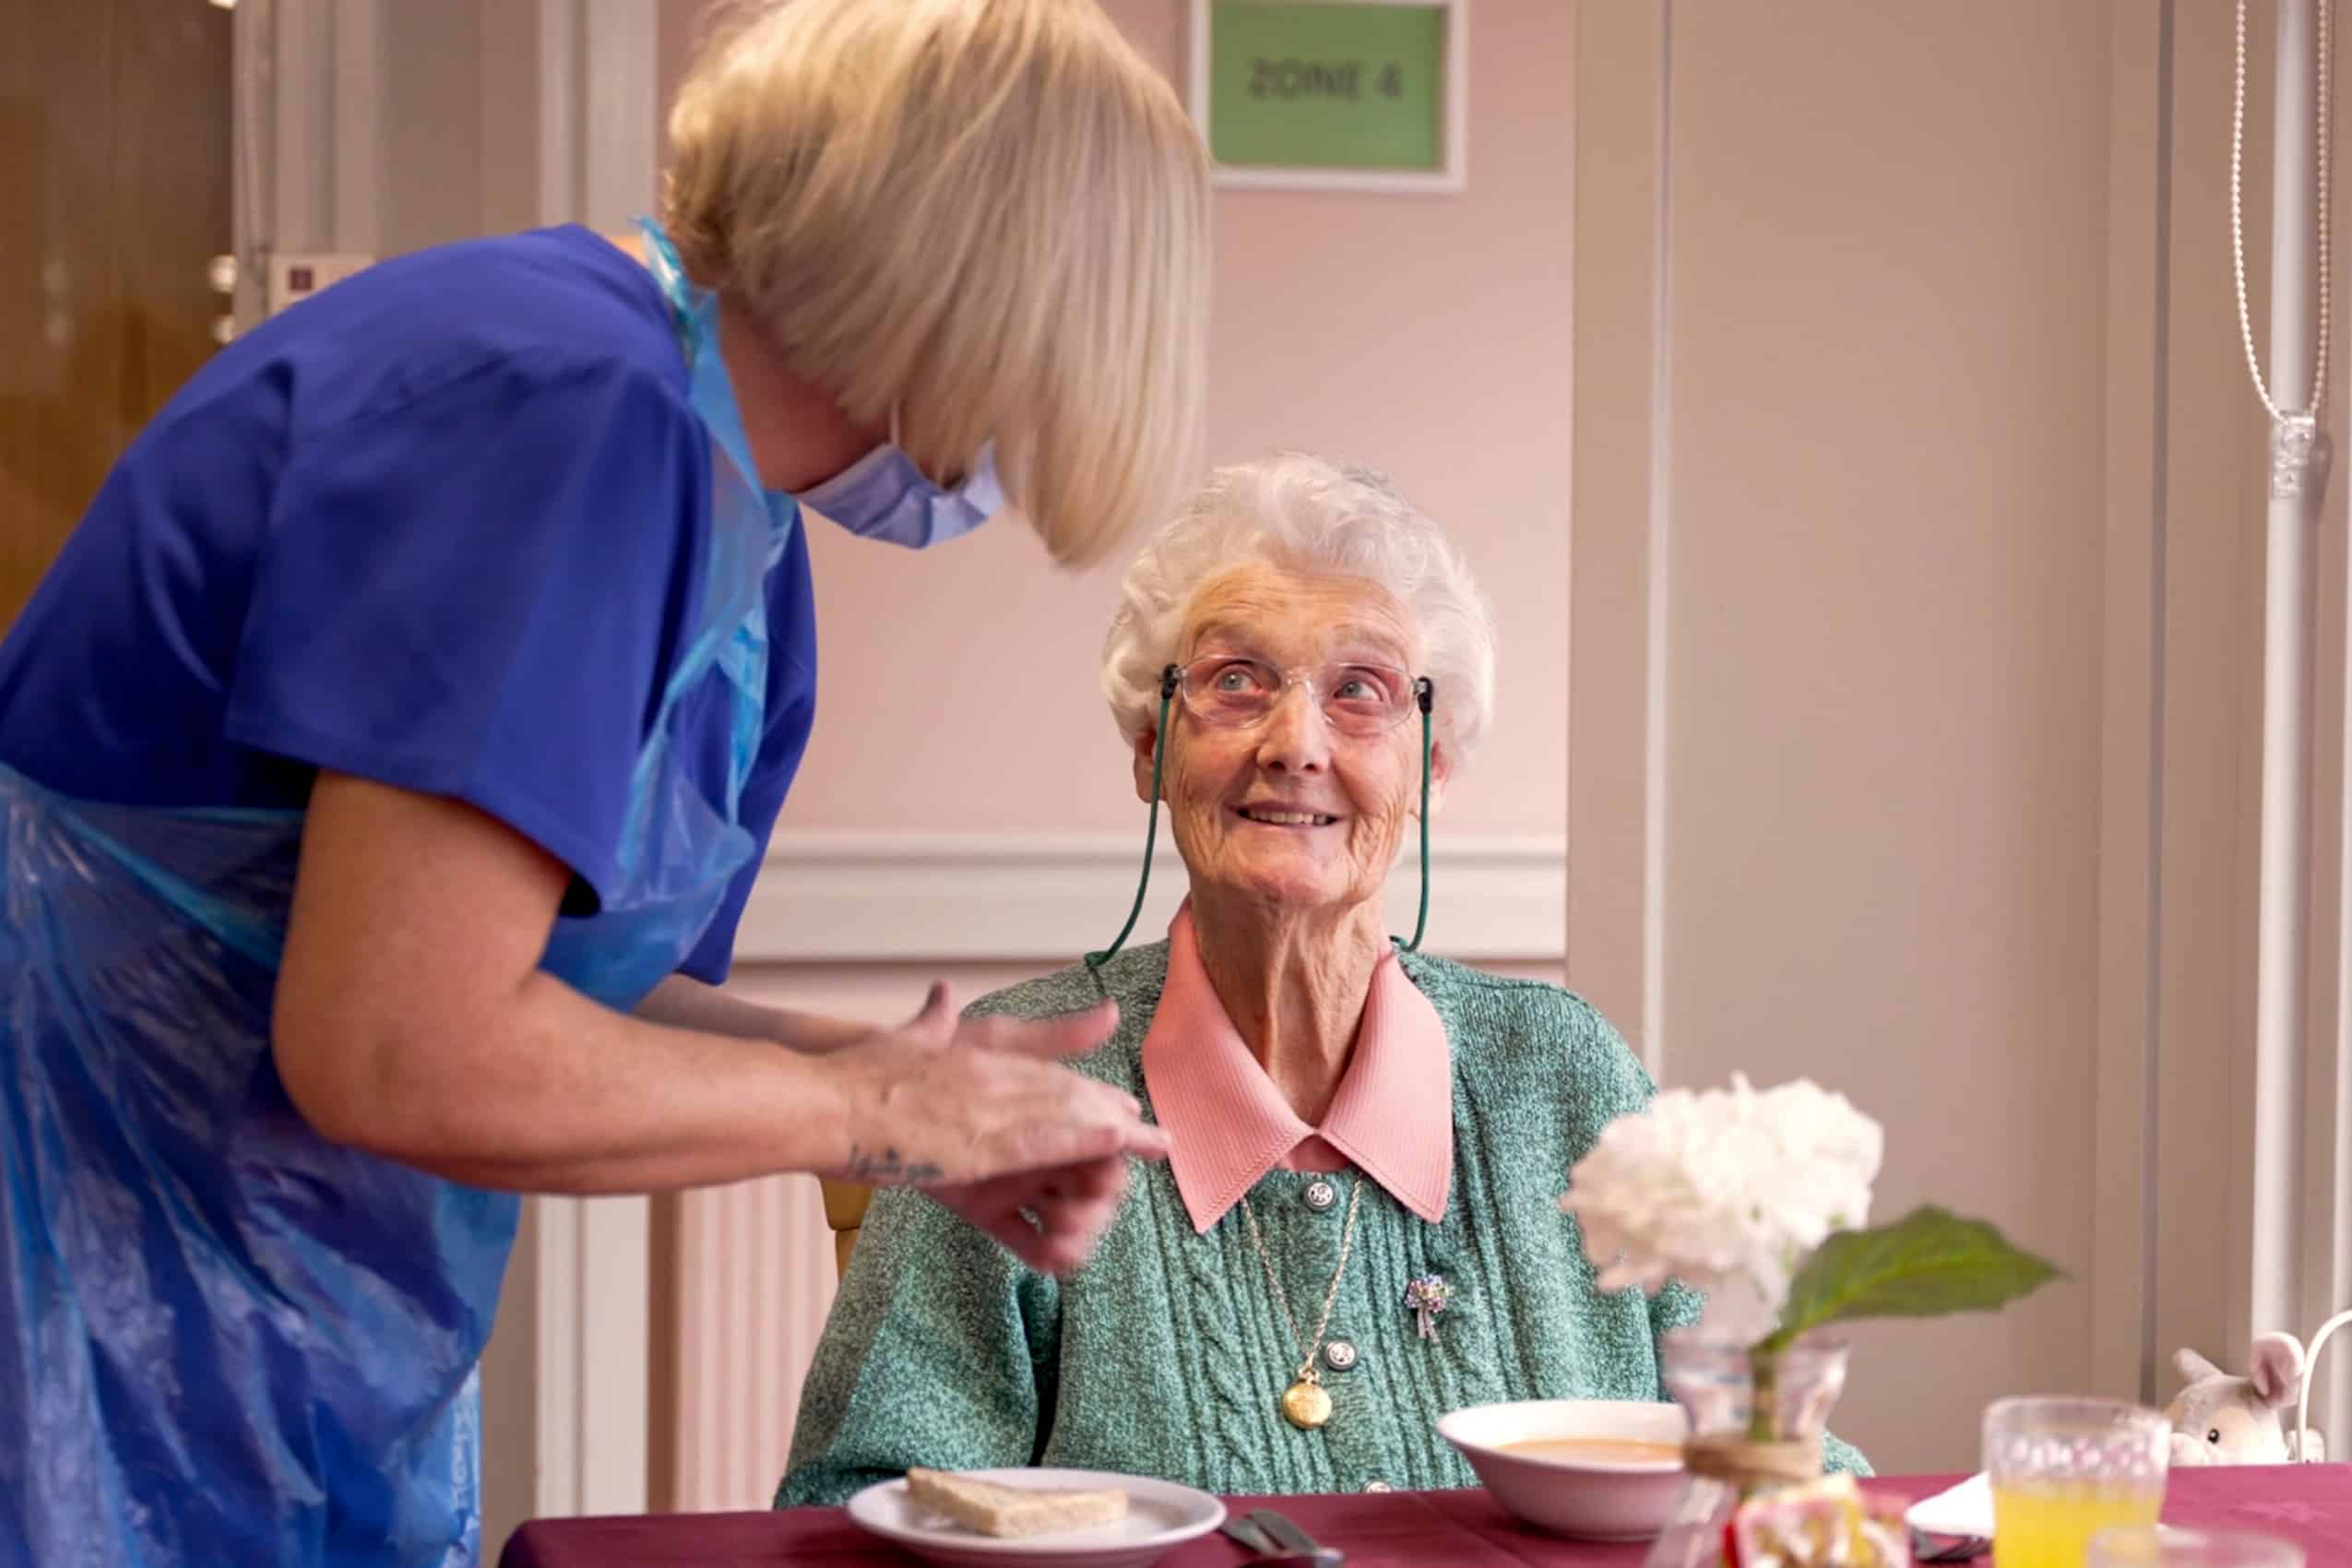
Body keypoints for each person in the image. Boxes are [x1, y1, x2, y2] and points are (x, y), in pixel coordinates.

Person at [0, 3, 1205, 1563]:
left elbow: (568, 986)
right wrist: (859, 1107)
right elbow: (395, 1043)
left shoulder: (730, 525)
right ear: (991, 281)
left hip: (247, 1321)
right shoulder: (558, 405)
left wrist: (901, 1088)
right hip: (80, 1280)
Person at [777, 455, 1869, 1503]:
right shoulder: (1018, 1080)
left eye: (1361, 689)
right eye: (1235, 679)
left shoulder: (1566, 1076)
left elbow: (1789, 1468)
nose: (1297, 743)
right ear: (1151, 747)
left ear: (1430, 763)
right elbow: (854, 1512)